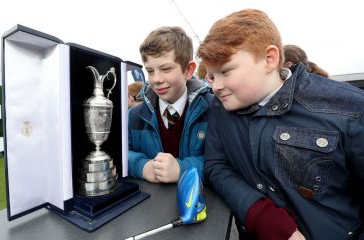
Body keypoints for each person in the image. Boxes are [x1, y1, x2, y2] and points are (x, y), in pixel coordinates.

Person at [197, 9, 363, 240]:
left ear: (269, 59)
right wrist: (257, 213)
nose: (216, 86)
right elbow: (216, 165)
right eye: (211, 77)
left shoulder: (349, 109)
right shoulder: (219, 108)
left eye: (225, 72)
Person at [128, 26, 213, 183]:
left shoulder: (214, 109)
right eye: (150, 71)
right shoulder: (133, 116)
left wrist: (183, 169)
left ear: (189, 70)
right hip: (150, 205)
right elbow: (120, 153)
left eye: (166, 69)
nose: (156, 79)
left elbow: (224, 161)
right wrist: (141, 166)